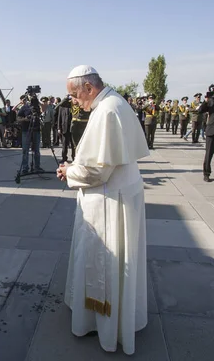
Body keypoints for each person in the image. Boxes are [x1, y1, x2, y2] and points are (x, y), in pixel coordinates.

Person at [56, 65, 148, 355]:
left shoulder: (106, 111)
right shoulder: (113, 102)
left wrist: (69, 171)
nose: (74, 100)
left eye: (74, 94)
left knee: (105, 263)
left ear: (88, 88)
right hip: (120, 193)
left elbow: (98, 170)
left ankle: (104, 328)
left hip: (109, 201)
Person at [17, 95, 44, 174]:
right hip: (26, 130)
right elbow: (18, 118)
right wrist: (25, 119)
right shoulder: (24, 107)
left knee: (37, 150)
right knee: (25, 150)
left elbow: (44, 109)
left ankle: (37, 167)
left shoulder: (37, 107)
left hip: (36, 130)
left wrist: (38, 101)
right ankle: (25, 168)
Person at [57, 95, 75, 163]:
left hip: (73, 129)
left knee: (74, 145)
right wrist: (59, 127)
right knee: (64, 144)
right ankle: (64, 158)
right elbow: (59, 118)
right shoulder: (62, 106)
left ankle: (74, 158)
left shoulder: (74, 105)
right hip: (64, 128)